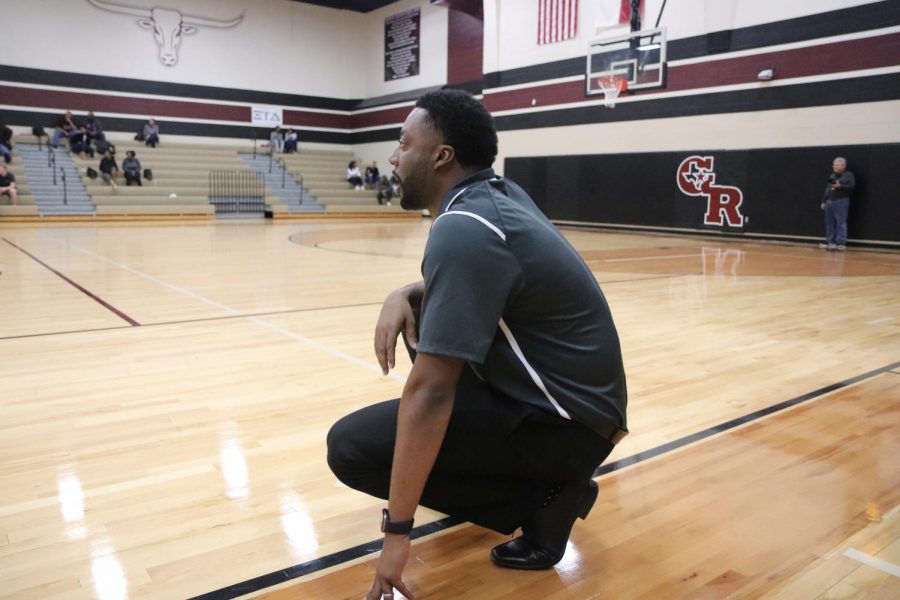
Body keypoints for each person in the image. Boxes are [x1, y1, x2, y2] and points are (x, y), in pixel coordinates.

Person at [326, 89, 628, 600]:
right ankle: (543, 486)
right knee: (425, 320)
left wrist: (398, 535)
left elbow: (431, 395)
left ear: (441, 155)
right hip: (584, 412)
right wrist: (405, 292)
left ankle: (544, 496)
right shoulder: (497, 196)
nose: (394, 158)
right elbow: (497, 278)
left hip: (566, 425)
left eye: (404, 143)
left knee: (350, 449)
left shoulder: (465, 227)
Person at [819, 157, 855, 251]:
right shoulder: (833, 175)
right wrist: (824, 201)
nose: (834, 166)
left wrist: (841, 186)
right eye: (834, 165)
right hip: (829, 201)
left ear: (843, 166)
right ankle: (831, 242)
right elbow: (828, 189)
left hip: (841, 201)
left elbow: (851, 187)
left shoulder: (848, 175)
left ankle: (841, 243)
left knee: (841, 222)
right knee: (829, 222)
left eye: (837, 165)